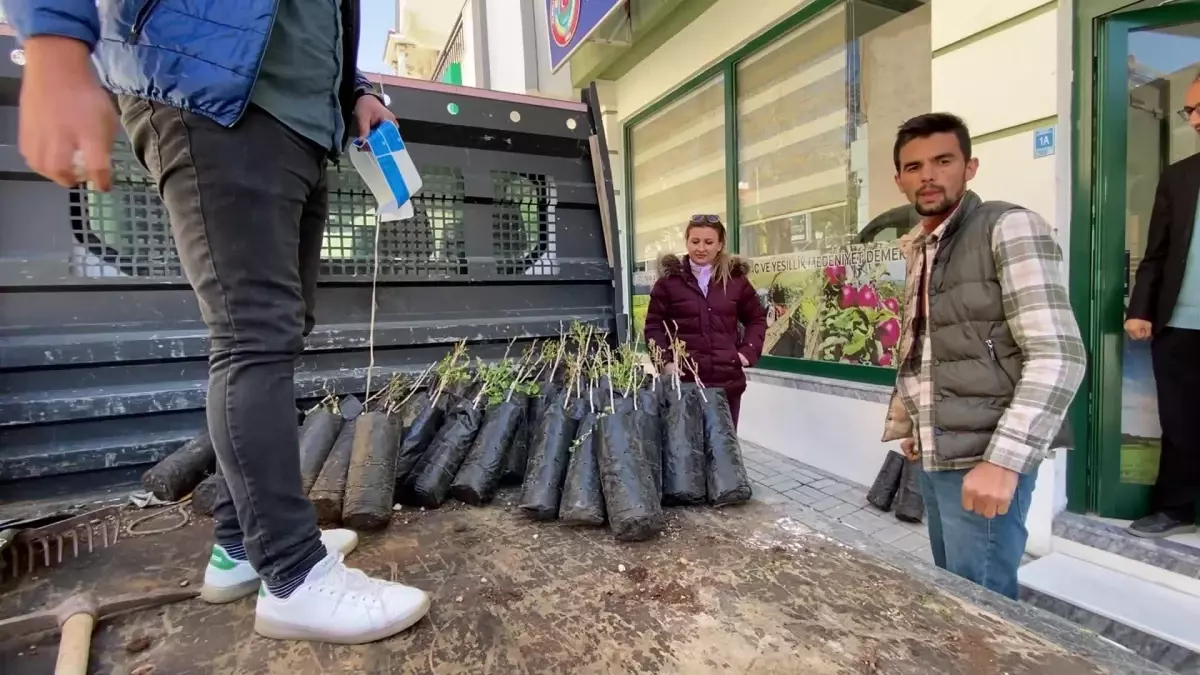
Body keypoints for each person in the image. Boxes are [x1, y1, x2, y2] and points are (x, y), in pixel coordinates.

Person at [4, 0, 430, 644]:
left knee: (274, 333)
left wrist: (356, 90)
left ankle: (239, 548)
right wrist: (57, 40)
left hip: (302, 120)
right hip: (215, 92)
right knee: (251, 337)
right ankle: (291, 579)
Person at [879, 113, 1087, 600]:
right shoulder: (923, 244)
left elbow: (1059, 356)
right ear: (899, 180)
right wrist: (913, 421)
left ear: (969, 167)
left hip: (985, 457)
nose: (927, 175)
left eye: (942, 161)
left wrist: (1005, 462)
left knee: (985, 603)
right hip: (939, 449)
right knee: (956, 592)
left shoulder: (1008, 226)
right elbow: (931, 345)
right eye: (914, 167)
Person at [1124, 73, 1200, 539]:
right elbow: (1156, 253)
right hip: (1180, 323)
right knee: (1178, 420)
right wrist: (1140, 309)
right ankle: (1175, 508)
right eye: (1190, 110)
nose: (1195, 119)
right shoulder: (1179, 176)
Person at [643, 215, 767, 427]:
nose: (701, 248)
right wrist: (665, 363)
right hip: (683, 383)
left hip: (726, 383)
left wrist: (747, 353)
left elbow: (756, 318)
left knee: (723, 451)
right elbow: (654, 327)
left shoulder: (735, 280)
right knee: (686, 451)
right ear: (687, 241)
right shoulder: (669, 282)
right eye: (695, 241)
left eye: (709, 242)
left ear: (720, 245)